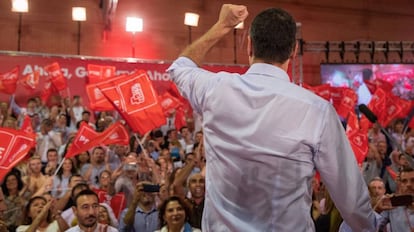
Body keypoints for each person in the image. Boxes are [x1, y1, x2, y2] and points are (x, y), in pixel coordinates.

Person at [167, 4, 376, 231]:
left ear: (249, 45)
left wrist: (222, 25)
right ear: (294, 51)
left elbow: (180, 67)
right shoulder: (317, 111)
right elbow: (352, 201)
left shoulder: (214, 89)